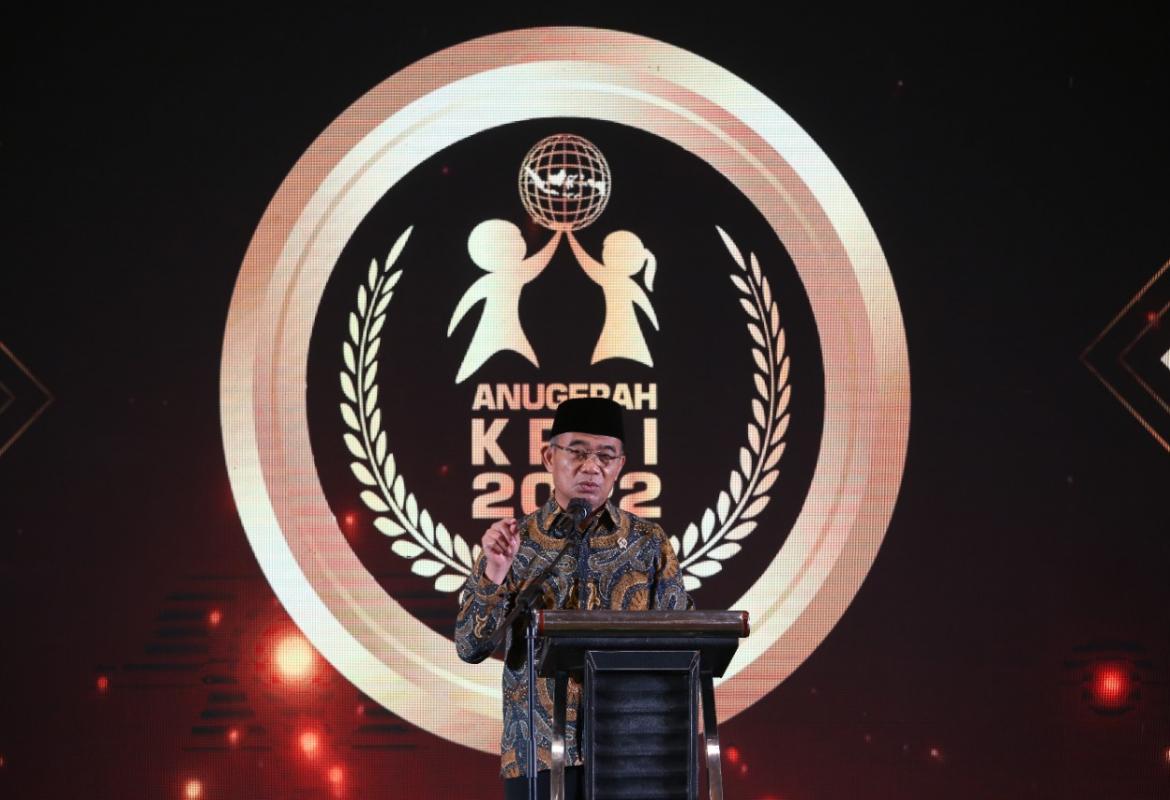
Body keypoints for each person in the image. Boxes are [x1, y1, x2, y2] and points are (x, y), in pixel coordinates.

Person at [454, 398, 691, 799]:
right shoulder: (515, 541)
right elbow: (469, 646)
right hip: (537, 755)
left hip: (629, 753)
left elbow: (682, 644)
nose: (591, 467)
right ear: (549, 456)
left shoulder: (648, 544)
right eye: (578, 452)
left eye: (605, 456)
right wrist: (494, 572)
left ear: (620, 465)